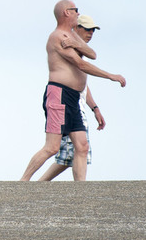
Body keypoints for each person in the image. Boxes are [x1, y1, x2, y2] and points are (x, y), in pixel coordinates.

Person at [20, 0, 125, 182]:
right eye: (75, 10)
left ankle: (80, 190)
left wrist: (77, 44)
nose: (78, 13)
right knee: (52, 147)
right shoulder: (57, 37)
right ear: (66, 13)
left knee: (82, 146)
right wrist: (110, 76)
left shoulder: (72, 37)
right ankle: (23, 182)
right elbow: (81, 64)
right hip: (59, 94)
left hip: (74, 98)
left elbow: (92, 54)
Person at [38, 15, 106, 181]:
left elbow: (82, 84)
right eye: (87, 29)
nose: (90, 33)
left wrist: (95, 108)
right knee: (66, 150)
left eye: (93, 30)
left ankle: (40, 184)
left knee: (74, 152)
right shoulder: (67, 45)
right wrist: (112, 76)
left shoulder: (79, 49)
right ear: (76, 28)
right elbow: (81, 68)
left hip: (75, 102)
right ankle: (33, 183)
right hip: (66, 100)